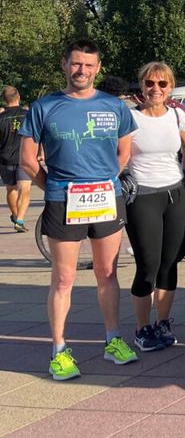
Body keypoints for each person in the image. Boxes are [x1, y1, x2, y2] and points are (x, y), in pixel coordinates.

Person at [20, 39, 140, 380]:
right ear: (64, 65)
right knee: (64, 277)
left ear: (98, 68)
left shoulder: (113, 106)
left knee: (107, 273)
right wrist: (56, 188)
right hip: (62, 199)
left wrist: (103, 183)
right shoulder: (44, 107)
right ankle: (59, 350)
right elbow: (28, 160)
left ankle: (113, 340)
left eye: (88, 65)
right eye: (75, 64)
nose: (82, 71)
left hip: (106, 197)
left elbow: (124, 154)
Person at [125, 62, 185, 351]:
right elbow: (116, 152)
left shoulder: (177, 115)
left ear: (170, 87)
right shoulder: (129, 117)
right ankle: (142, 328)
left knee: (170, 261)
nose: (156, 89)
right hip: (142, 196)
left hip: (175, 194)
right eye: (150, 83)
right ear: (141, 86)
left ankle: (162, 322)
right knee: (148, 264)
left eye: (162, 84)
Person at [0, 86, 31, 232]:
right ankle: (19, 220)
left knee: (11, 189)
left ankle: (15, 214)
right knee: (24, 190)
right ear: (18, 97)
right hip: (23, 158)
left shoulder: (1, 117)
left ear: (4, 100)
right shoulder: (27, 115)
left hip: (4, 159)